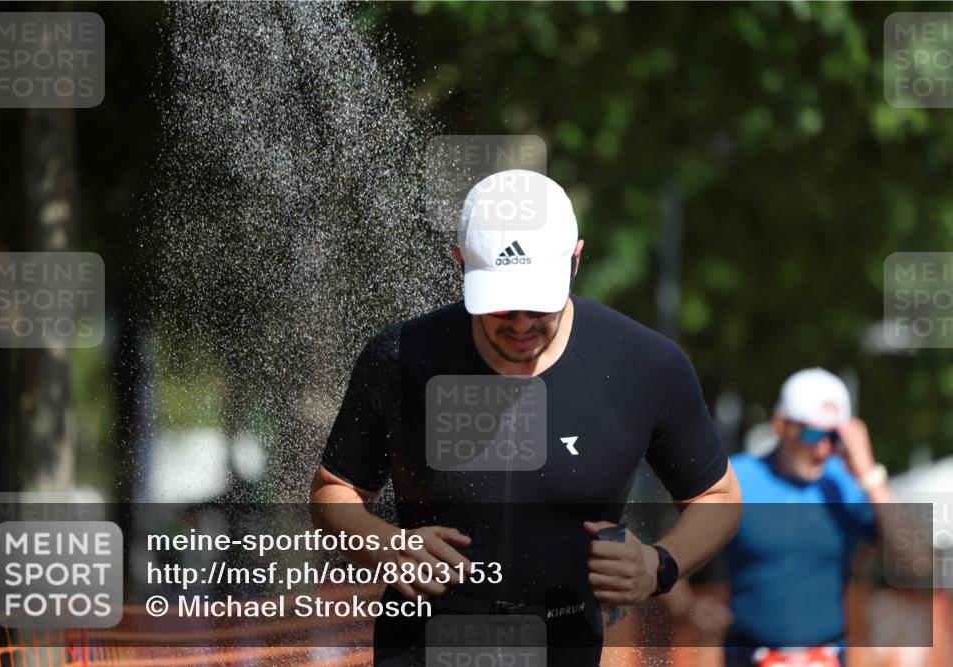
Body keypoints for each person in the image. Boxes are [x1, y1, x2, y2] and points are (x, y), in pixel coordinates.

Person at [309, 169, 742, 666]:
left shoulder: (645, 365)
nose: (520, 324)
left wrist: (660, 564)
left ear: (576, 260)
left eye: (538, 303)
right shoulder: (401, 357)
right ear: (461, 265)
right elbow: (333, 491)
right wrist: (386, 545)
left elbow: (719, 495)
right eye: (501, 304)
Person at [666, 368, 911, 667]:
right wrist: (688, 607)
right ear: (781, 424)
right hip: (747, 656)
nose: (823, 449)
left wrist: (870, 473)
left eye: (835, 436)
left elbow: (917, 564)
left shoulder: (847, 484)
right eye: (813, 432)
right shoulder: (737, 479)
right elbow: (667, 556)